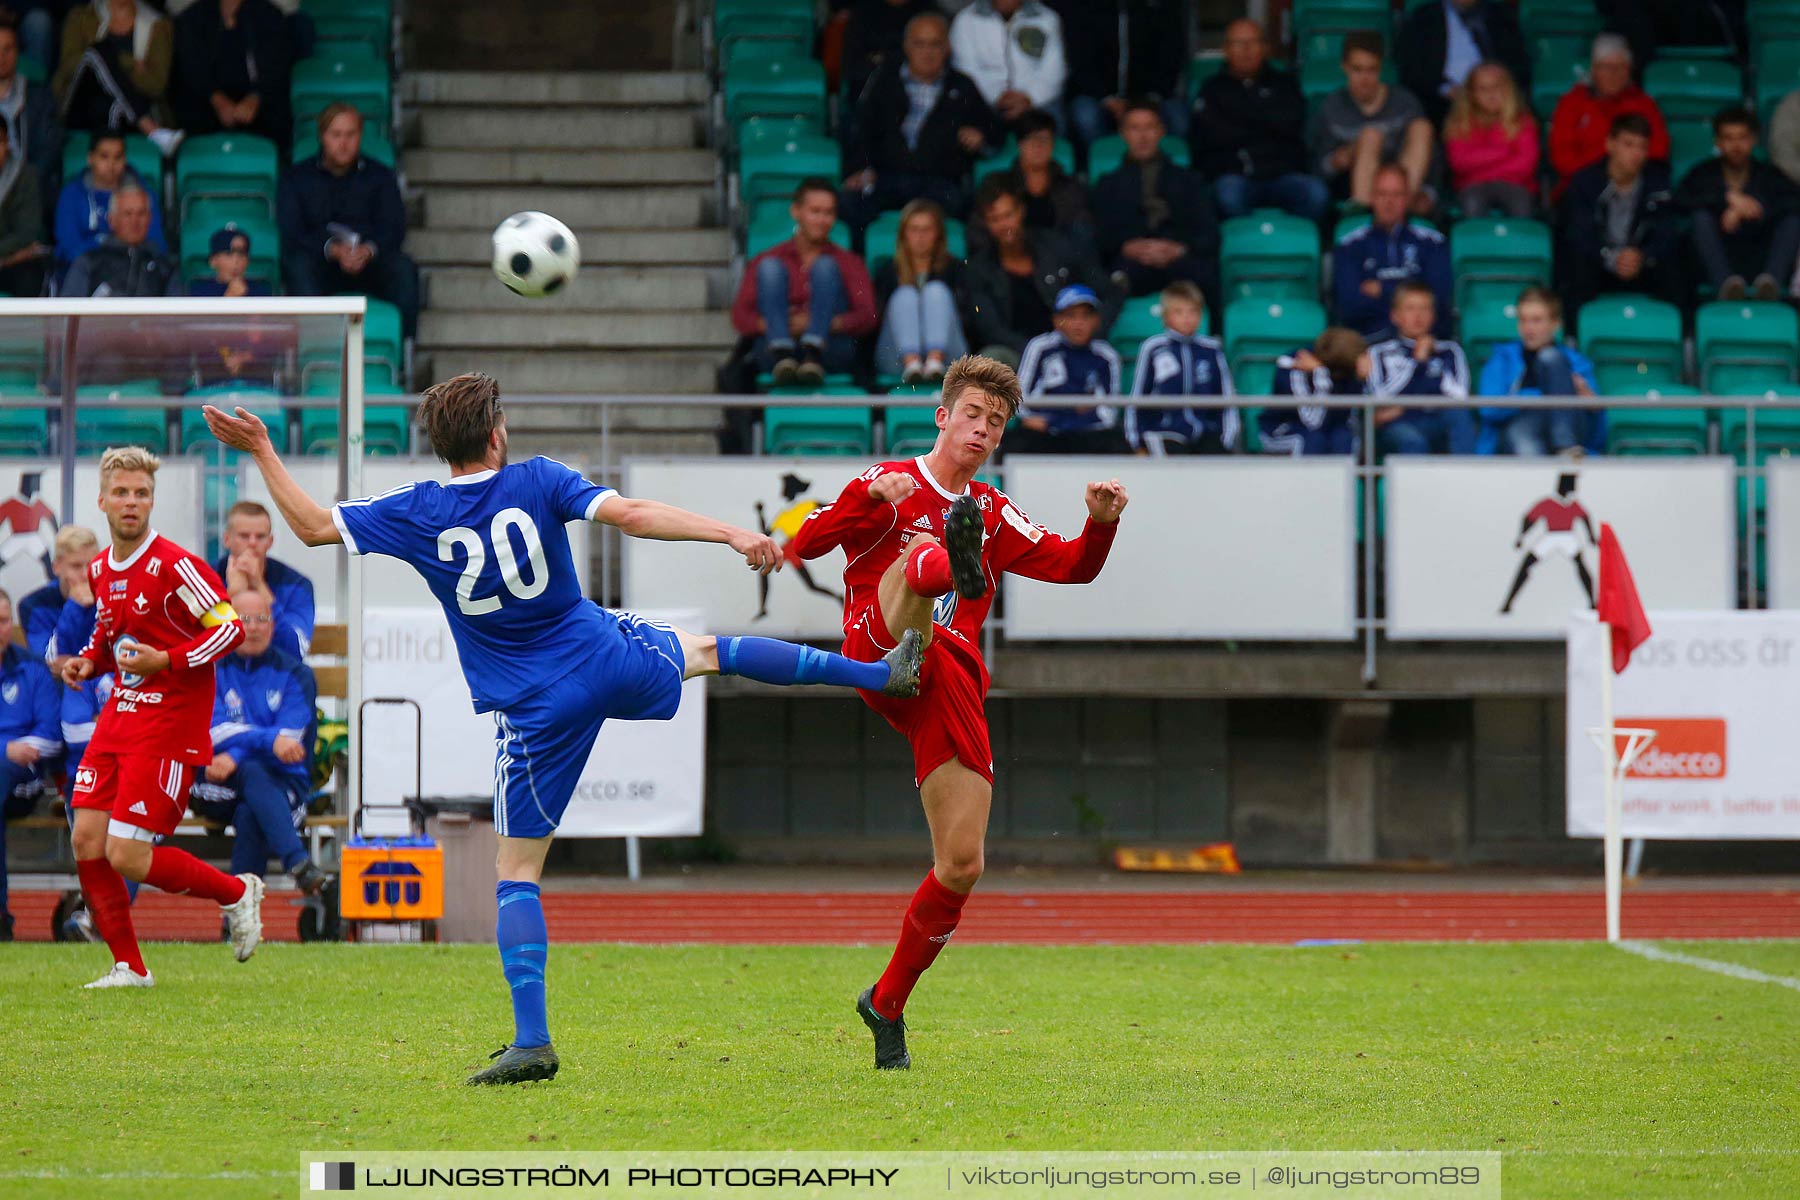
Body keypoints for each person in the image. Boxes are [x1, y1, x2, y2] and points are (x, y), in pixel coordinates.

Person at [203, 372, 928, 1084]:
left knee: (517, 872)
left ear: (438, 445)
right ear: (496, 435)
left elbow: (308, 525)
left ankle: (533, 1040)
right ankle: (877, 674)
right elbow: (635, 515)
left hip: (533, 707)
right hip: (601, 655)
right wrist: (732, 534)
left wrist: (264, 449)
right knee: (711, 653)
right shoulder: (541, 478)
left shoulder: (416, 508)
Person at [786, 354, 1126, 1070]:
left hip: (947, 679)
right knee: (918, 565)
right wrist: (870, 503)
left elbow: (1074, 566)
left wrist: (1099, 525)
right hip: (878, 650)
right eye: (972, 413)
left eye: (995, 422)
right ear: (943, 417)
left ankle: (886, 1003)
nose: (982, 428)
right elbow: (802, 544)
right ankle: (946, 565)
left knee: (963, 864)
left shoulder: (995, 509)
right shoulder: (888, 479)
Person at [61, 445, 264, 989]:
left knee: (125, 853)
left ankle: (237, 893)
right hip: (118, 719)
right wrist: (89, 661)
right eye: (122, 493)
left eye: (142, 493)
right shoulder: (102, 568)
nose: (132, 502)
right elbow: (109, 638)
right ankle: (130, 966)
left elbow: (230, 629)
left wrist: (168, 660)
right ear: (102, 500)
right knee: (86, 839)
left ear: (152, 501)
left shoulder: (175, 565)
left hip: (169, 722)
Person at [187, 589, 328, 896]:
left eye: (261, 618)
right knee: (253, 779)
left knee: (252, 811)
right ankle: (298, 863)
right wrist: (265, 740)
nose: (253, 627)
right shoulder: (210, 669)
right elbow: (212, 732)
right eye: (244, 619)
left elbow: (290, 743)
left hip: (283, 789)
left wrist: (236, 754)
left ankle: (237, 921)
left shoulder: (296, 674)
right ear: (228, 625)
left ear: (272, 625)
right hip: (217, 785)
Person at [841, 11, 1000, 232]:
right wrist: (861, 168)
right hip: (887, 178)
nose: (927, 52)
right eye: (919, 44)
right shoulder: (884, 79)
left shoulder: (962, 86)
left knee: (966, 206)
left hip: (939, 182)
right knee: (850, 203)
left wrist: (980, 135)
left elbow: (995, 129)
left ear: (947, 48)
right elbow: (860, 127)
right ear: (906, 46)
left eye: (935, 45)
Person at [278, 104, 420, 339]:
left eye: (350, 134)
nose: (343, 143)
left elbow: (394, 226)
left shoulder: (381, 176)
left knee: (403, 270)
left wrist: (368, 250)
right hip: (321, 261)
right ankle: (315, 350)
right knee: (298, 267)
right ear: (323, 136)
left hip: (370, 262)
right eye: (336, 135)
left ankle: (403, 354)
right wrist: (332, 250)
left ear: (360, 135)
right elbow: (293, 232)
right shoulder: (297, 178)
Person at [729, 178, 877, 384]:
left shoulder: (849, 262)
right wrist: (778, 324)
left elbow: (867, 315)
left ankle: (813, 350)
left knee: (825, 266)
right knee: (770, 269)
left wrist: (819, 322)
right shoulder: (767, 259)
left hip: (829, 348)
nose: (822, 220)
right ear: (796, 212)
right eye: (815, 211)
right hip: (774, 347)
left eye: (829, 213)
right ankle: (783, 352)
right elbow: (740, 316)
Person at [962, 175, 1115, 361]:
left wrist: (1090, 331)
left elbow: (1109, 292)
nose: (1004, 225)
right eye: (995, 219)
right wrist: (1040, 351)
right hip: (1018, 354)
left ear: (1021, 211)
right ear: (985, 223)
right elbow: (992, 331)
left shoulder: (1058, 247)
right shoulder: (979, 269)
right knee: (992, 358)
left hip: (1072, 346)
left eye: (1008, 215)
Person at [1190, 18, 1326, 222]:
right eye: (1238, 43)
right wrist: (1263, 118)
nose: (1246, 49)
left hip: (1283, 174)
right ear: (1226, 50)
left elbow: (1289, 124)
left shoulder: (1285, 84)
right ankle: (1246, 249)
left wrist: (1240, 118)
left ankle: (1290, 247)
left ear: (1265, 48)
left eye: (1253, 42)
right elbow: (1214, 135)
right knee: (1226, 196)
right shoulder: (1211, 89)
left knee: (1316, 195)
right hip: (1235, 175)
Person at [1090, 98, 1217, 304]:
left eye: (1149, 127)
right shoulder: (1107, 185)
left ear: (1161, 131)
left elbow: (1208, 233)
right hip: (1130, 262)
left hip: (1179, 259)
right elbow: (1100, 236)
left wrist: (1178, 249)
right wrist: (1126, 247)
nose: (1143, 136)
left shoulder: (1189, 180)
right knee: (1111, 281)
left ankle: (1215, 335)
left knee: (1206, 275)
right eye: (1134, 128)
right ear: (1123, 133)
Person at [1560, 113, 1679, 323]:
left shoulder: (1658, 183)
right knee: (1576, 269)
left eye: (1642, 147)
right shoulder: (1585, 183)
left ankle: (1678, 340)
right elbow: (1579, 235)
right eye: (1628, 145)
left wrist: (1642, 256)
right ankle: (1574, 339)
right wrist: (1611, 258)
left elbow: (1666, 232)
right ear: (1609, 144)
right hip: (1598, 263)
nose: (1636, 154)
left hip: (1641, 264)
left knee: (1674, 270)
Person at [1675, 106, 1800, 301]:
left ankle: (1771, 286)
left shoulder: (1768, 174)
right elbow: (1680, 199)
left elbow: (1794, 200)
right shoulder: (1703, 173)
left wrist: (1757, 207)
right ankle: (1726, 287)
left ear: (1753, 140)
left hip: (1761, 259)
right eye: (1728, 138)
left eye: (1742, 137)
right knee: (1700, 218)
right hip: (1718, 258)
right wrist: (1726, 198)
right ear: (1717, 142)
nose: (1736, 145)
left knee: (1793, 220)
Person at [1308, 30, 1433, 207]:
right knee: (1370, 136)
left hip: (1403, 183)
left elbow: (1431, 156)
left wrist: (1430, 192)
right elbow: (1316, 167)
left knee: (1422, 127)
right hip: (1349, 186)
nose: (1364, 79)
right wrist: (1337, 161)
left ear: (1381, 67)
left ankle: (1398, 206)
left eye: (1371, 70)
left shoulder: (1405, 102)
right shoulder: (1331, 106)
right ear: (1344, 67)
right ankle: (1365, 213)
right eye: (1357, 70)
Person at [0, 586, 60, 941]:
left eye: (4, 621)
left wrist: (10, 755)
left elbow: (51, 735)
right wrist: (6, 748)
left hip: (25, 783)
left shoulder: (32, 669)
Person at [1331, 164, 1452, 340]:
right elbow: (1350, 308)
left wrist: (1383, 289)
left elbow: (1438, 301)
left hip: (1421, 342)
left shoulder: (1433, 243)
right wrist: (1413, 298)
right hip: (1367, 343)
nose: (1389, 202)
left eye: (1397, 195)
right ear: (1372, 197)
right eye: (1382, 194)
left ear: (1408, 199)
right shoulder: (1350, 246)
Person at [1477, 285, 1600, 456]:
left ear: (1556, 324)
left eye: (1536, 320)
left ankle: (1565, 447)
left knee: (1550, 357)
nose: (1528, 328)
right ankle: (1561, 456)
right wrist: (1541, 396)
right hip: (1518, 430)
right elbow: (1488, 410)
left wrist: (1592, 406)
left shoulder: (1578, 363)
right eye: (1523, 320)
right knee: (1521, 435)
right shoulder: (1502, 359)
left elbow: (1599, 433)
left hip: (1570, 432)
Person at [1006, 284, 1128, 454]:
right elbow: (1021, 398)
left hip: (1087, 433)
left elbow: (1109, 413)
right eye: (1071, 316)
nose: (1079, 324)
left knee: (1117, 443)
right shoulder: (1040, 347)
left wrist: (1059, 419)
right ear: (1056, 320)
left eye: (1086, 316)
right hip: (1047, 432)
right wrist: (1072, 411)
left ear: (1096, 321)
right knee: (1016, 442)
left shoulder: (1107, 356)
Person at [1549, 34, 1669, 200]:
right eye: (1607, 67)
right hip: (1582, 185)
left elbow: (1658, 149)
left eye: (1621, 67)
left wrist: (1625, 172)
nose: (1614, 74)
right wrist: (1603, 172)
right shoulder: (1572, 103)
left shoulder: (1644, 104)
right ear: (1594, 69)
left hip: (1633, 183)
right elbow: (1562, 156)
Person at [1124, 280, 1237, 455]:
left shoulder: (1211, 349)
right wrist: (1136, 442)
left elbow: (1226, 399)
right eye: (1178, 312)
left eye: (1193, 311)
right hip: (1164, 433)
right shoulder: (1153, 347)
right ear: (1166, 316)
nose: (1187, 318)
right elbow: (1137, 398)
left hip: (1206, 435)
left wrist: (1226, 440)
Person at [51, 0, 180, 152]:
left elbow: (156, 84)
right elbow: (68, 67)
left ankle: (114, 168)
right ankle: (151, 129)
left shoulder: (157, 25)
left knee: (111, 105)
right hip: (82, 107)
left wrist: (114, 75)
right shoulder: (80, 17)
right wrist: (127, 62)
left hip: (120, 114)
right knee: (96, 53)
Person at [1056, 0, 1190, 146]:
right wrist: (1108, 99)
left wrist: (1148, 100)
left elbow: (1171, 59)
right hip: (1099, 97)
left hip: (1150, 96)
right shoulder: (1085, 10)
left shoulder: (1161, 9)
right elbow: (1080, 63)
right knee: (1085, 116)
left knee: (1179, 119)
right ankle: (1104, 164)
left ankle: (1164, 166)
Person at [171, 0, 294, 154]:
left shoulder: (270, 16)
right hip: (208, 102)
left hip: (259, 104)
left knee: (277, 112)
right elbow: (191, 67)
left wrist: (255, 98)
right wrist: (217, 100)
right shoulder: (192, 17)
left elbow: (278, 66)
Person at [1367, 282, 1475, 456]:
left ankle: (1466, 479)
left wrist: (1404, 405)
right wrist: (1419, 362)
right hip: (1397, 426)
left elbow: (1459, 397)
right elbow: (1382, 398)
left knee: (1458, 416)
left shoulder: (1449, 350)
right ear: (1395, 316)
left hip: (1436, 421)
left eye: (1424, 309)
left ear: (1433, 315)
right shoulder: (1378, 352)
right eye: (1410, 309)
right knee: (1412, 440)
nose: (1418, 316)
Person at [966, 108, 1090, 254]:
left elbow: (1082, 234)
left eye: (1044, 139)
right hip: (1007, 261)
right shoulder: (997, 183)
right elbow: (977, 231)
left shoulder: (1070, 186)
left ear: (1053, 145)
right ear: (1019, 145)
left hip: (1058, 261)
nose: (1038, 146)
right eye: (1031, 139)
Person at [874, 198, 968, 383]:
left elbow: (967, 319)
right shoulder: (887, 271)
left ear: (938, 234)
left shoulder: (956, 269)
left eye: (927, 230)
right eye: (914, 229)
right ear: (903, 234)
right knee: (905, 295)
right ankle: (912, 364)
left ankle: (935, 362)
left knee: (936, 291)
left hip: (950, 358)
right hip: (897, 359)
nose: (920, 236)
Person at [1397, 0, 1529, 129]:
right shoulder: (1424, 17)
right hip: (1442, 100)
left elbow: (1517, 64)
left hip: (1496, 95)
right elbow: (1412, 69)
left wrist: (1495, 89)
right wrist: (1446, 89)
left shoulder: (1500, 15)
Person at [212, 500, 313, 657]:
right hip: (221, 677)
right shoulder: (205, 578)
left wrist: (259, 586)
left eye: (260, 537)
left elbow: (296, 650)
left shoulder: (296, 584)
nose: (252, 543)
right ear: (226, 539)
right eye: (244, 536)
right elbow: (198, 646)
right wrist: (231, 596)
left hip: (278, 677)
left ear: (270, 541)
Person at [52, 130, 165, 269]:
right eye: (104, 157)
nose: (111, 165)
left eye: (118, 157)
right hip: (86, 272)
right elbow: (68, 249)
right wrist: (109, 244)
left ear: (125, 159)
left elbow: (156, 245)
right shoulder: (71, 194)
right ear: (90, 158)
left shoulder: (142, 195)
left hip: (133, 271)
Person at [1442, 62, 1539, 219]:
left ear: (1508, 90)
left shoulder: (1523, 122)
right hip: (1472, 186)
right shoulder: (1459, 123)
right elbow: (1459, 162)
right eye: (1483, 89)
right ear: (1471, 94)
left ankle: (1518, 244)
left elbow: (1525, 165)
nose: (1491, 94)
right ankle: (1474, 244)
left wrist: (1483, 166)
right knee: (1472, 202)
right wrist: (1503, 152)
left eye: (1497, 87)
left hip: (1516, 185)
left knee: (1520, 204)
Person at [949, 0, 1066, 126]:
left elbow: (1054, 70)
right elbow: (965, 69)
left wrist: (1030, 98)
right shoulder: (965, 19)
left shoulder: (1046, 18)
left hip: (1038, 102)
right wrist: (996, 96)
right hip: (984, 102)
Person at [1257, 326, 1369, 456]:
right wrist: (1320, 374)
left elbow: (1348, 420)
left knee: (1343, 439)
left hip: (1329, 429)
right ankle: (1303, 477)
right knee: (1313, 440)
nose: (1369, 361)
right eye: (1364, 356)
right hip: (1283, 428)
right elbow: (1313, 422)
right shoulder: (1295, 365)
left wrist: (1365, 379)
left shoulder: (1349, 372)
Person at [61, 180, 181, 296]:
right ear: (112, 220)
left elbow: (178, 314)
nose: (135, 221)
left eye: (141, 214)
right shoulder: (88, 262)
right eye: (127, 214)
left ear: (149, 219)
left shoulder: (164, 268)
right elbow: (68, 309)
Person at [0, 18, 65, 218]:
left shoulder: (39, 96)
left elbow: (49, 149)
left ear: (18, 52)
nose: (1, 56)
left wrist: (21, 184)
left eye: (8, 49)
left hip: (28, 191)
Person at [841, 0, 938, 111]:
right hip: (873, 101)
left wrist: (882, 58)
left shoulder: (929, 13)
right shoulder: (863, 14)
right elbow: (852, 68)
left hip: (922, 97)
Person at [19, 524, 97, 659]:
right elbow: (49, 660)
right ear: (56, 567)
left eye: (91, 565)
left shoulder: (109, 598)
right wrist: (75, 606)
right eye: (76, 566)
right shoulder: (33, 605)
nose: (85, 575)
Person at [0, 120, 47, 296]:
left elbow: (27, 233)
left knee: (30, 275)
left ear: (7, 145)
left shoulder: (26, 176)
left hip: (15, 262)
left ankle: (30, 325)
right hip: (11, 254)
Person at [186, 223, 268, 297]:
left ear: (248, 261)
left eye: (241, 255)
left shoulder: (261, 290)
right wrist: (230, 297)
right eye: (228, 254)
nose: (236, 261)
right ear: (213, 261)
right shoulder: (199, 290)